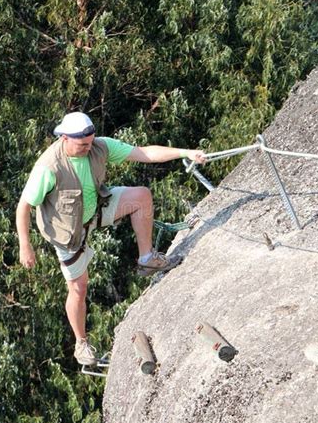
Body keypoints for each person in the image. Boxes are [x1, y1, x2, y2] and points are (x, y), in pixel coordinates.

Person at [16, 112, 206, 367]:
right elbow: (24, 207)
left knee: (141, 197)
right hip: (66, 232)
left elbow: (144, 153)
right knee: (78, 288)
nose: (87, 148)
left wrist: (186, 152)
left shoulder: (99, 146)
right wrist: (25, 246)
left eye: (90, 142)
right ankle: (81, 343)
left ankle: (147, 258)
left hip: (94, 210)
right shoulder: (49, 167)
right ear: (64, 138)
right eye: (82, 144)